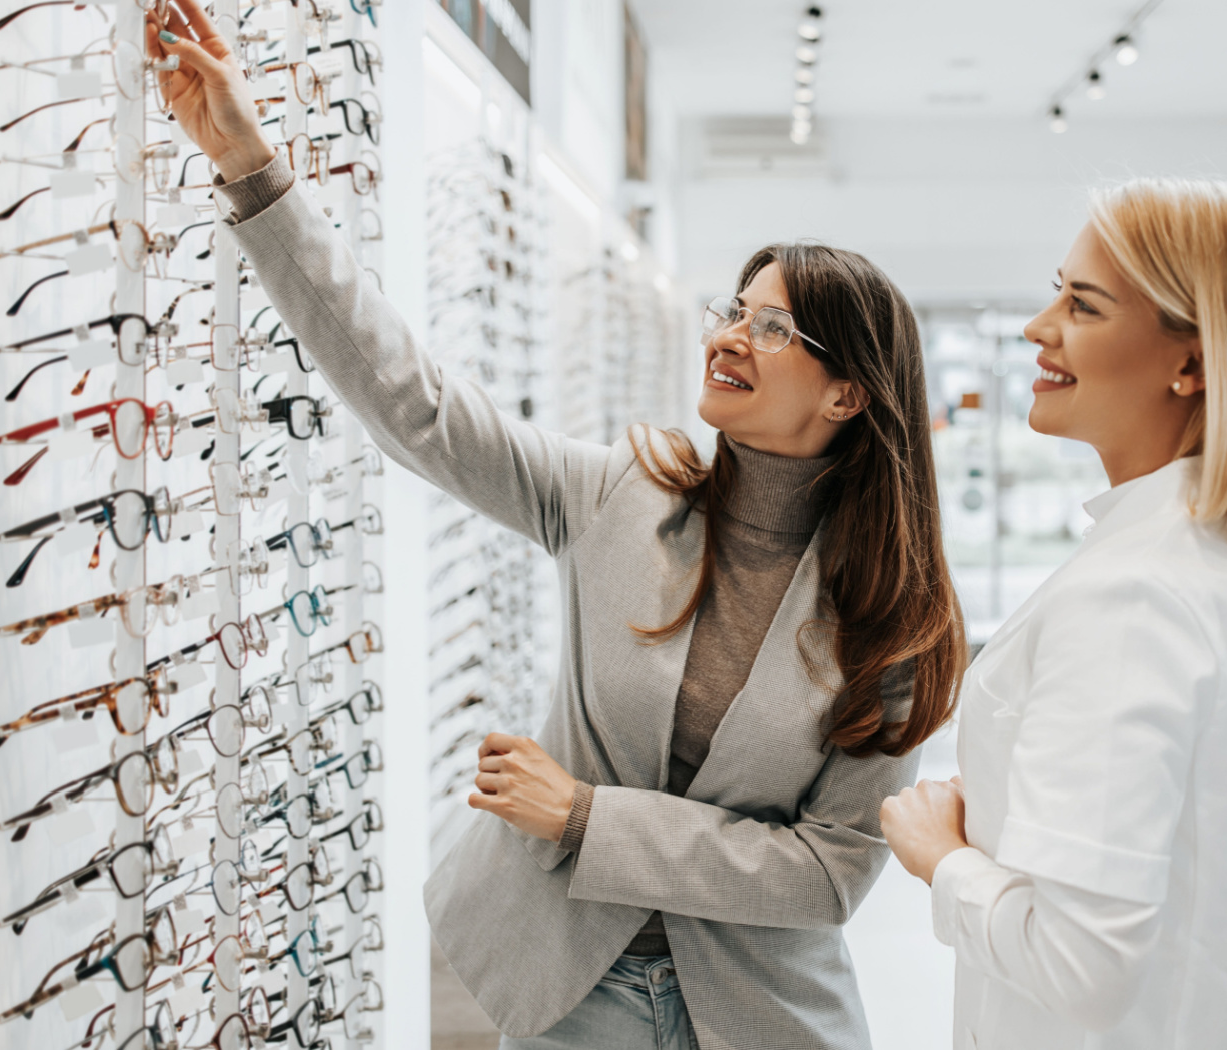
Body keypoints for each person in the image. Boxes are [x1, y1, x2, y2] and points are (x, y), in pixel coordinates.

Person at [144, 6, 967, 1048]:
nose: (729, 335)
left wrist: (588, 818)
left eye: (771, 326)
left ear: (847, 395)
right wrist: (252, 170)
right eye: (732, 308)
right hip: (572, 991)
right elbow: (418, 406)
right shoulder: (623, 494)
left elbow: (827, 872)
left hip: (759, 1016)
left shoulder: (899, 623)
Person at [881, 179, 1227, 1049]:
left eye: (1083, 305)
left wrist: (942, 856)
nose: (1037, 327)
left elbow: (1079, 963)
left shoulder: (1134, 596)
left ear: (1191, 363)